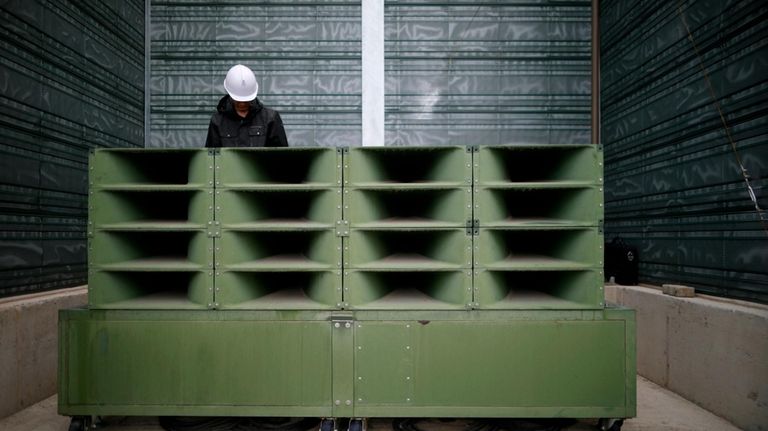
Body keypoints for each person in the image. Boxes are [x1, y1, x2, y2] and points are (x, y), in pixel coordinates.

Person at [205, 64, 288, 147]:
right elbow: (211, 157)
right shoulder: (218, 121)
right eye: (238, 100)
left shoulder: (270, 119)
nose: (242, 103)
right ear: (230, 93)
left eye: (246, 100)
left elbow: (282, 157)